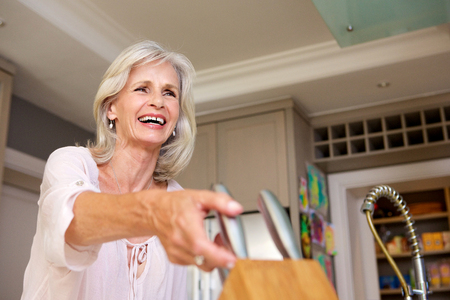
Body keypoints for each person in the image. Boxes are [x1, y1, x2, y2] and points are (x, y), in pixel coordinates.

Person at [21, 40, 243, 300]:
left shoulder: (175, 196)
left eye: (169, 93)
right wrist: (154, 213)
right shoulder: (71, 164)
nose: (158, 101)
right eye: (142, 89)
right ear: (111, 108)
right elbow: (73, 224)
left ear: (175, 119)